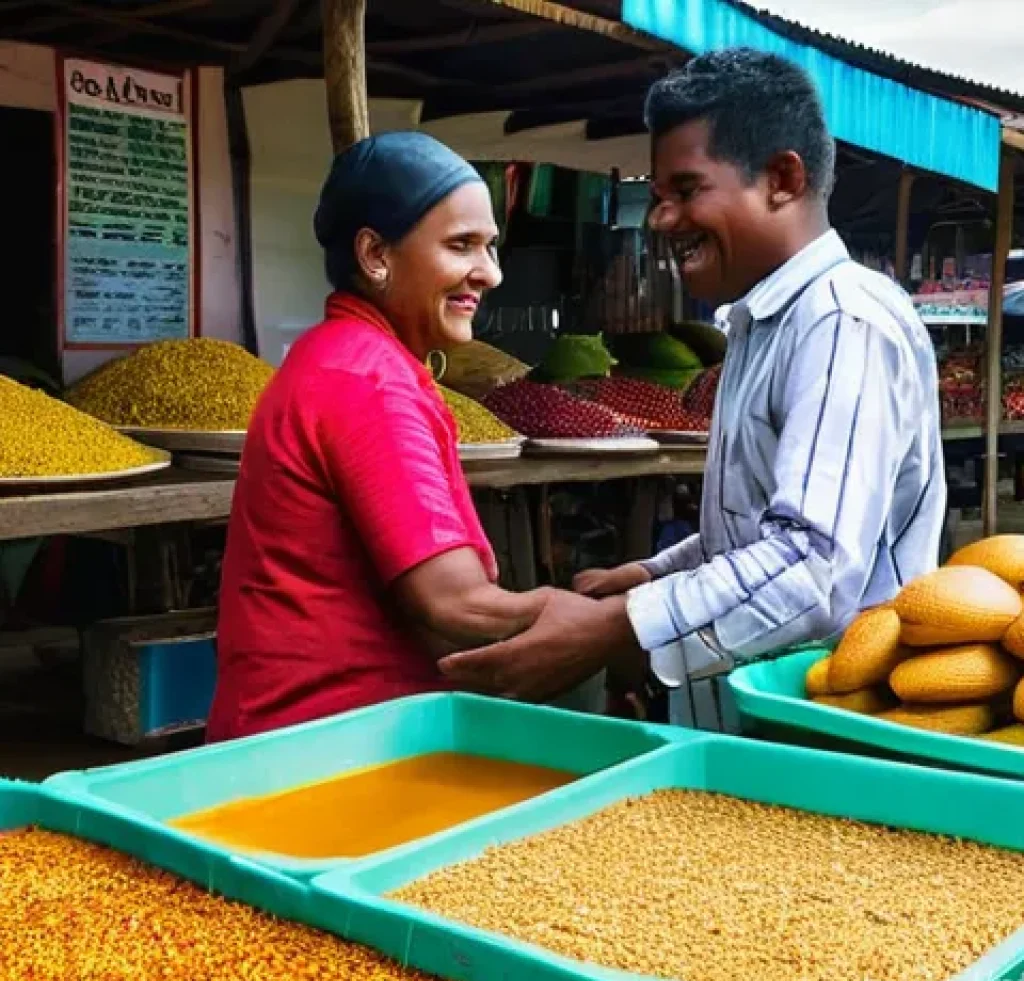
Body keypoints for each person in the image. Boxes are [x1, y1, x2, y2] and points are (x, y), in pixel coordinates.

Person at [440, 48, 946, 708]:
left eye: (685, 191)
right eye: (656, 199)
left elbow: (809, 566)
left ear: (782, 179)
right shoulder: (763, 323)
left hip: (831, 723)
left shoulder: (842, 321)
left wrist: (613, 627)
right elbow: (755, 532)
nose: (660, 220)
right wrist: (648, 576)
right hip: (765, 715)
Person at [207, 132, 590, 742]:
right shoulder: (366, 380)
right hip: (325, 754)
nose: (489, 273)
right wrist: (612, 624)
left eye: (490, 247)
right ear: (375, 255)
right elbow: (455, 604)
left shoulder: (341, 357)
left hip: (321, 739)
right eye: (461, 245)